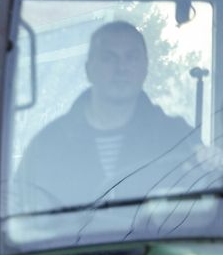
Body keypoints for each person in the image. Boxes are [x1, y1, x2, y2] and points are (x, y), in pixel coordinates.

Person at [14, 20, 214, 212]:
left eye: (132, 57)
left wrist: (210, 170)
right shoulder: (47, 145)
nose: (122, 68)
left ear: (145, 67)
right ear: (88, 69)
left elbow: (207, 204)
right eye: (109, 58)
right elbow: (20, 215)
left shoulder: (178, 138)